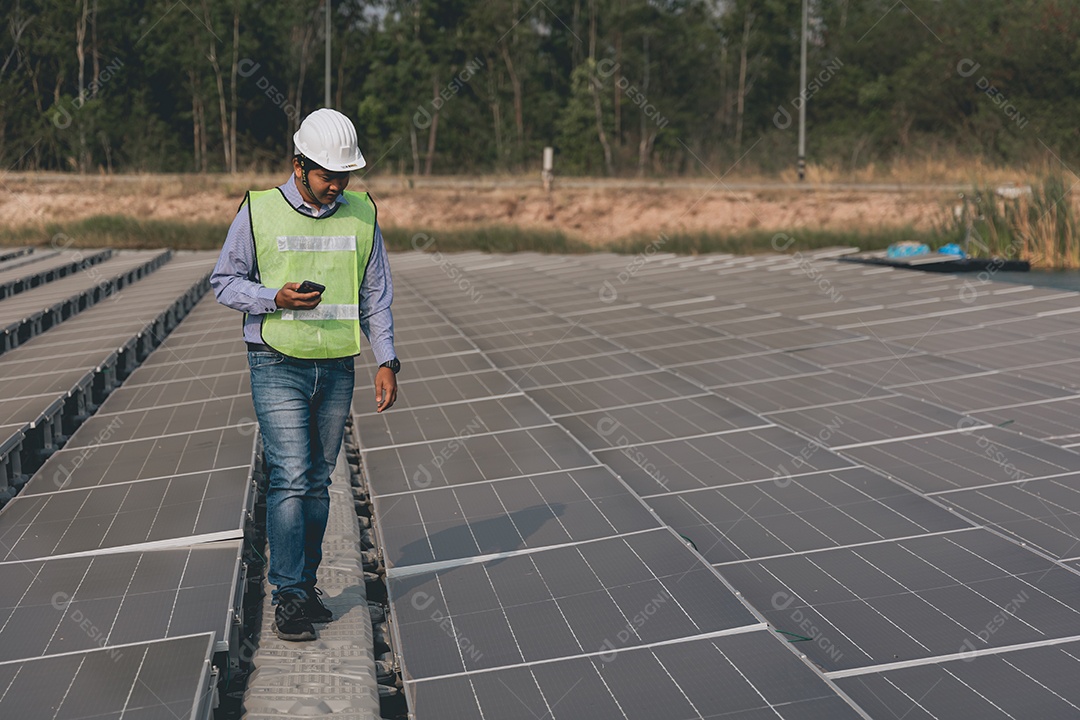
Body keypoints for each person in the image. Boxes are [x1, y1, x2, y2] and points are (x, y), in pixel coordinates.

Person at [212, 108, 400, 641]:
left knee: (317, 484)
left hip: (338, 365)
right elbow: (224, 281)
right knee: (292, 475)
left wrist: (386, 359)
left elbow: (375, 294)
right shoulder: (258, 211)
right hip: (277, 359)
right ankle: (289, 595)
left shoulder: (362, 214)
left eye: (344, 176)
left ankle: (305, 585)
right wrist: (273, 297)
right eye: (326, 175)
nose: (337, 186)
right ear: (298, 165)